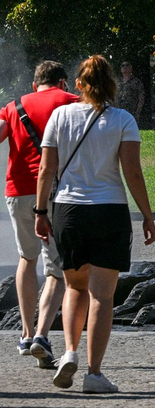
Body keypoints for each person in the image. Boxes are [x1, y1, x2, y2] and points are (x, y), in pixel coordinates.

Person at [33, 55, 155, 393]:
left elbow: (46, 170)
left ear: (78, 84)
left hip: (68, 211)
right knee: (101, 295)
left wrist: (41, 212)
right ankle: (94, 373)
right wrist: (147, 215)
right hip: (108, 210)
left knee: (74, 287)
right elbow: (132, 172)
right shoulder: (122, 120)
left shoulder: (60, 116)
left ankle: (70, 351)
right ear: (112, 84)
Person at [0, 61, 75, 368]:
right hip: (56, 192)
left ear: (35, 84)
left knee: (26, 258)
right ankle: (42, 335)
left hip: (16, 191)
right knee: (57, 267)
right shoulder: (72, 102)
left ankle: (26, 333)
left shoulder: (13, 106)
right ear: (63, 82)